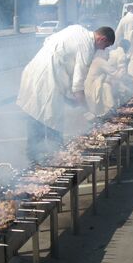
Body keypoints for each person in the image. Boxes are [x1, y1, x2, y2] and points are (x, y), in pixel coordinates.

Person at [16, 25, 115, 162]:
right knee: (52, 119)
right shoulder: (86, 48)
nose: (103, 49)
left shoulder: (77, 28)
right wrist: (88, 112)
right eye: (105, 46)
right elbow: (77, 87)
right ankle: (54, 157)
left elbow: (48, 41)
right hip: (48, 79)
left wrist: (68, 99)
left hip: (34, 69)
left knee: (35, 116)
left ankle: (37, 156)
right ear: (102, 38)